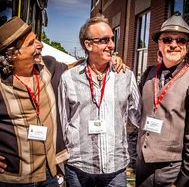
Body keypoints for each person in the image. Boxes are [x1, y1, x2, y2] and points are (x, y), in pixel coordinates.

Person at [0, 16, 125, 186]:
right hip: (10, 179)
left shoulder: (48, 67)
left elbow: (77, 67)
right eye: (31, 43)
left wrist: (107, 59)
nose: (40, 45)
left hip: (48, 176)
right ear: (13, 54)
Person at [58, 15, 141, 187]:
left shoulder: (125, 76)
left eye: (112, 39)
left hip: (115, 166)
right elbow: (61, 122)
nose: (111, 45)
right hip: (79, 165)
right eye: (104, 40)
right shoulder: (69, 78)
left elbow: (138, 117)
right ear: (88, 45)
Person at [136, 14, 189, 187]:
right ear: (159, 44)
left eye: (181, 40)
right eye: (167, 39)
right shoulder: (147, 74)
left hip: (171, 172)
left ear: (188, 46)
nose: (174, 45)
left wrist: (182, 181)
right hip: (141, 167)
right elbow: (136, 117)